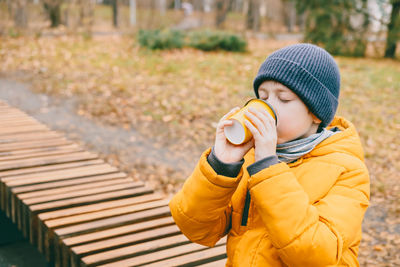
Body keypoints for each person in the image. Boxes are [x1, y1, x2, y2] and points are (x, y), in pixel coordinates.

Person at [169, 43, 370, 266]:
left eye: (283, 99)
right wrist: (221, 164)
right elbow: (196, 229)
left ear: (315, 113)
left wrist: (268, 169)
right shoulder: (251, 159)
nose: (268, 108)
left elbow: (316, 255)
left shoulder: (347, 171)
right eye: (262, 97)